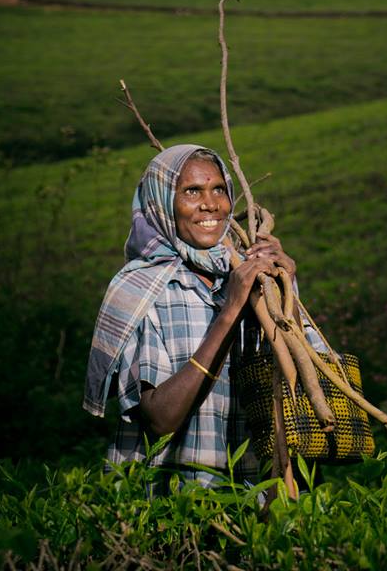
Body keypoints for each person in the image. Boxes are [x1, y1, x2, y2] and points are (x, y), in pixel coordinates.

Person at [83, 142, 297, 492]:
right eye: (191, 191)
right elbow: (160, 419)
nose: (210, 204)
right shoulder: (144, 290)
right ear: (162, 203)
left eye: (218, 190)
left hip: (256, 500)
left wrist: (287, 291)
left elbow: (298, 391)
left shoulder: (254, 278)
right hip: (168, 506)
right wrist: (229, 312)